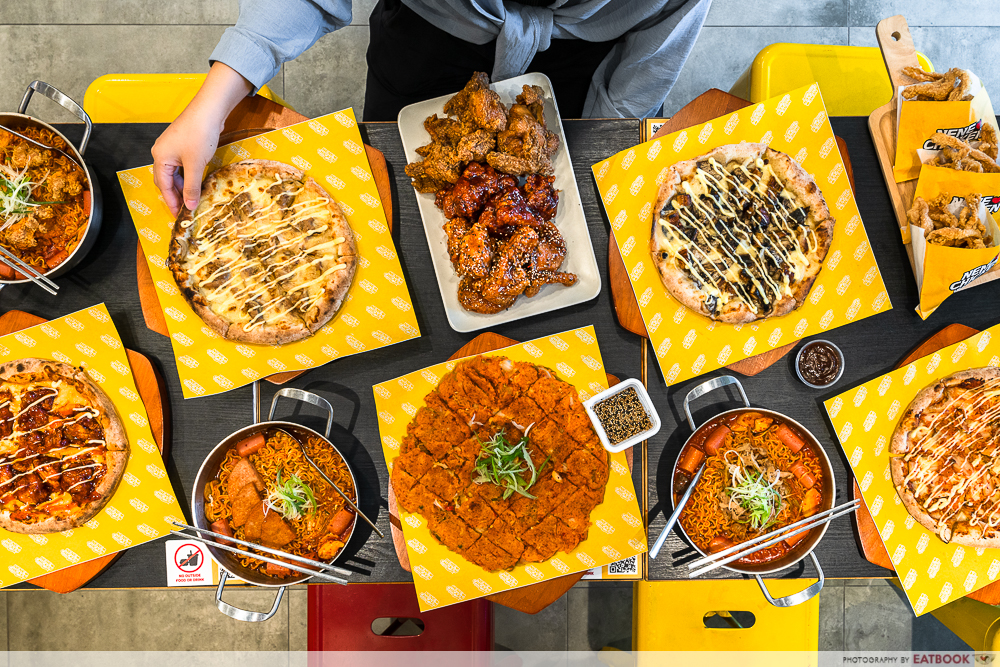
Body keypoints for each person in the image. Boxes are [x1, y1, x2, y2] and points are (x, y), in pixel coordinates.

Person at [152, 0, 712, 216]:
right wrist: (215, 97)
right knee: (398, 192)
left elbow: (655, 51)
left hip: (584, 57)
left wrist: (601, 143)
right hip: (430, 34)